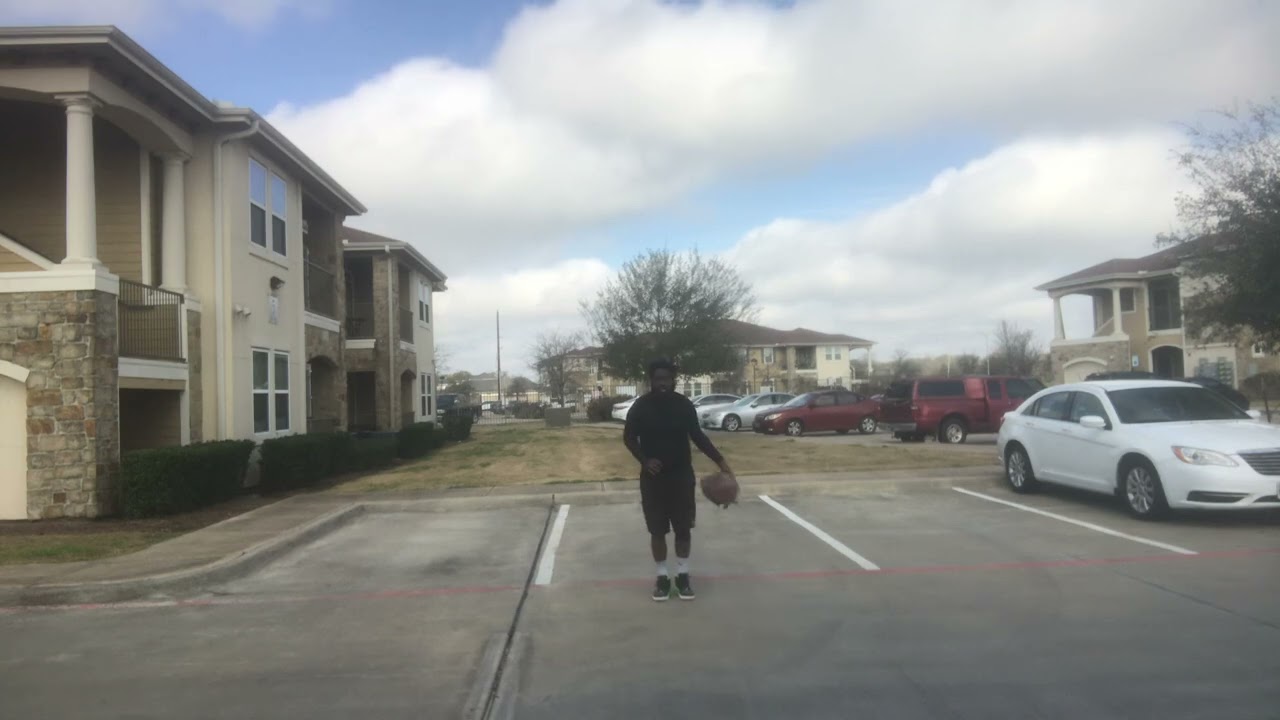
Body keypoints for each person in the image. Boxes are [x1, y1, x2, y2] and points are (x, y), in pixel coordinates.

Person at [623, 358, 734, 601]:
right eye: (658, 379)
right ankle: (662, 578)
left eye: (666, 379)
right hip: (653, 480)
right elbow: (629, 438)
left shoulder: (683, 405)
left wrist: (722, 463)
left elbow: (698, 437)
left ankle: (683, 577)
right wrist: (644, 460)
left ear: (673, 380)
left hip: (681, 476)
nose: (662, 383)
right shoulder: (640, 407)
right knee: (657, 530)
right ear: (651, 380)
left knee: (683, 529)